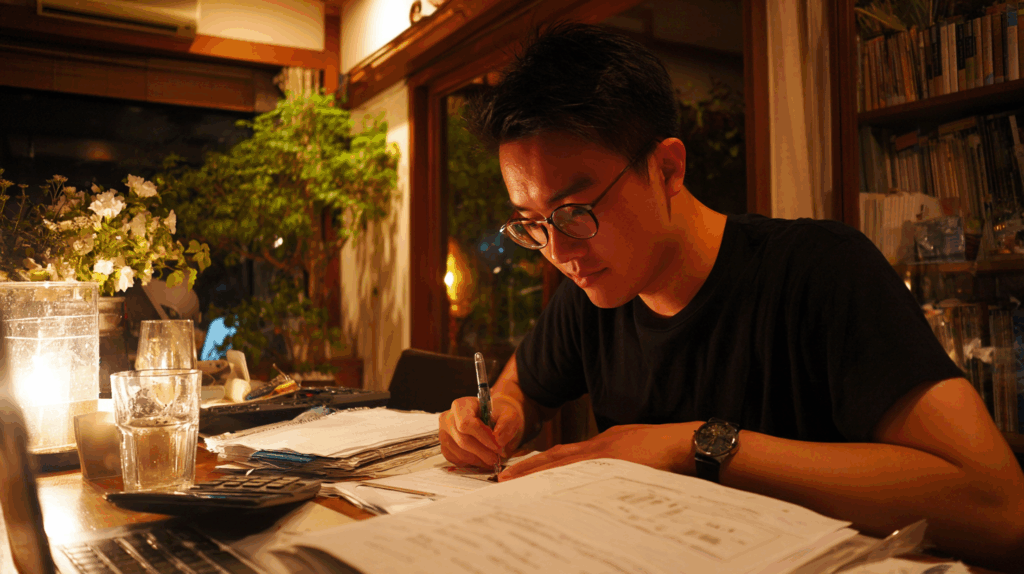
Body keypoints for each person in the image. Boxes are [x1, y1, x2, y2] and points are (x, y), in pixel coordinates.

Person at [437, 22, 1024, 570]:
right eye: (531, 224)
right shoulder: (593, 290)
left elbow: (999, 508)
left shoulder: (820, 270)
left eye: (574, 212)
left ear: (667, 169)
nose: (560, 251)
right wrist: (500, 415)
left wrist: (692, 446)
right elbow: (521, 388)